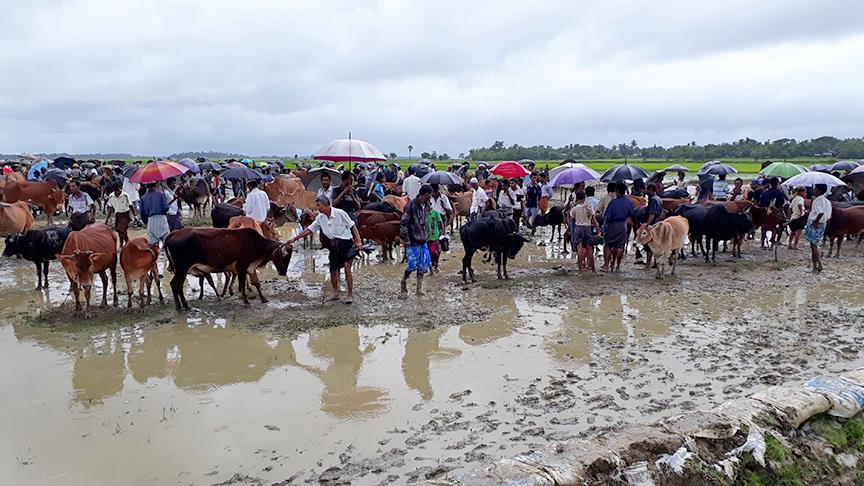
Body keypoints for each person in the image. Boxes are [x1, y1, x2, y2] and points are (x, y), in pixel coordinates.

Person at [287, 196, 362, 303]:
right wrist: (294, 238)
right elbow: (309, 229)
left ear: (326, 205)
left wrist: (358, 240)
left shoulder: (340, 213)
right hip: (334, 245)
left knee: (347, 267)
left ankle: (350, 294)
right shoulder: (320, 218)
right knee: (333, 269)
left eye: (319, 205)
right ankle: (335, 292)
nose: (317, 208)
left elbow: (352, 226)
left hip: (346, 243)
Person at [400, 186, 432, 298]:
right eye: (429, 196)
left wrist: (428, 234)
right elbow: (403, 224)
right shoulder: (410, 206)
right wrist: (406, 239)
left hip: (423, 239)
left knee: (423, 265)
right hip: (413, 240)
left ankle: (419, 288)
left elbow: (426, 222)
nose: (430, 198)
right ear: (423, 194)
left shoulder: (427, 206)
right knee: (412, 265)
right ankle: (404, 281)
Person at [601, 182, 634, 272]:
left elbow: (607, 216)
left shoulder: (613, 202)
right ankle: (617, 266)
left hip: (612, 225)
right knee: (620, 246)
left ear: (617, 191)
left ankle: (606, 266)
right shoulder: (629, 202)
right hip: (623, 226)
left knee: (608, 245)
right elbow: (632, 215)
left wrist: (605, 227)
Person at [569, 190, 600, 273]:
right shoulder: (589, 207)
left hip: (578, 229)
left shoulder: (574, 209)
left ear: (577, 199)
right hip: (587, 228)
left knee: (579, 251)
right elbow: (594, 220)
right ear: (584, 198)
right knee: (590, 250)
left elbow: (572, 221)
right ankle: (593, 270)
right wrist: (598, 230)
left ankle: (580, 270)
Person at [805, 183, 831, 273]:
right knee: (815, 245)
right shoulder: (827, 201)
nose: (813, 191)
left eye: (815, 189)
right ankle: (818, 264)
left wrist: (815, 221)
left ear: (819, 191)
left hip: (815, 222)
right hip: (822, 224)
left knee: (813, 246)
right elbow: (828, 216)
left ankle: (816, 267)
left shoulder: (817, 201)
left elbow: (820, 213)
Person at [642, 183, 663, 270]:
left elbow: (652, 213)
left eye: (647, 189)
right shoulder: (658, 198)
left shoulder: (653, 200)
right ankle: (655, 263)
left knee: (648, 244)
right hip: (657, 224)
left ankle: (647, 265)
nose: (645, 191)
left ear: (651, 190)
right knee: (655, 244)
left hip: (652, 224)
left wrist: (647, 224)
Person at [427, 201, 444, 274]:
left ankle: (436, 265)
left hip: (435, 237)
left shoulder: (435, 213)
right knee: (428, 254)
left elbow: (440, 223)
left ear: (431, 205)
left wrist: (442, 233)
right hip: (426, 238)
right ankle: (431, 270)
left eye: (428, 205)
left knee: (434, 252)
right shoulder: (424, 214)